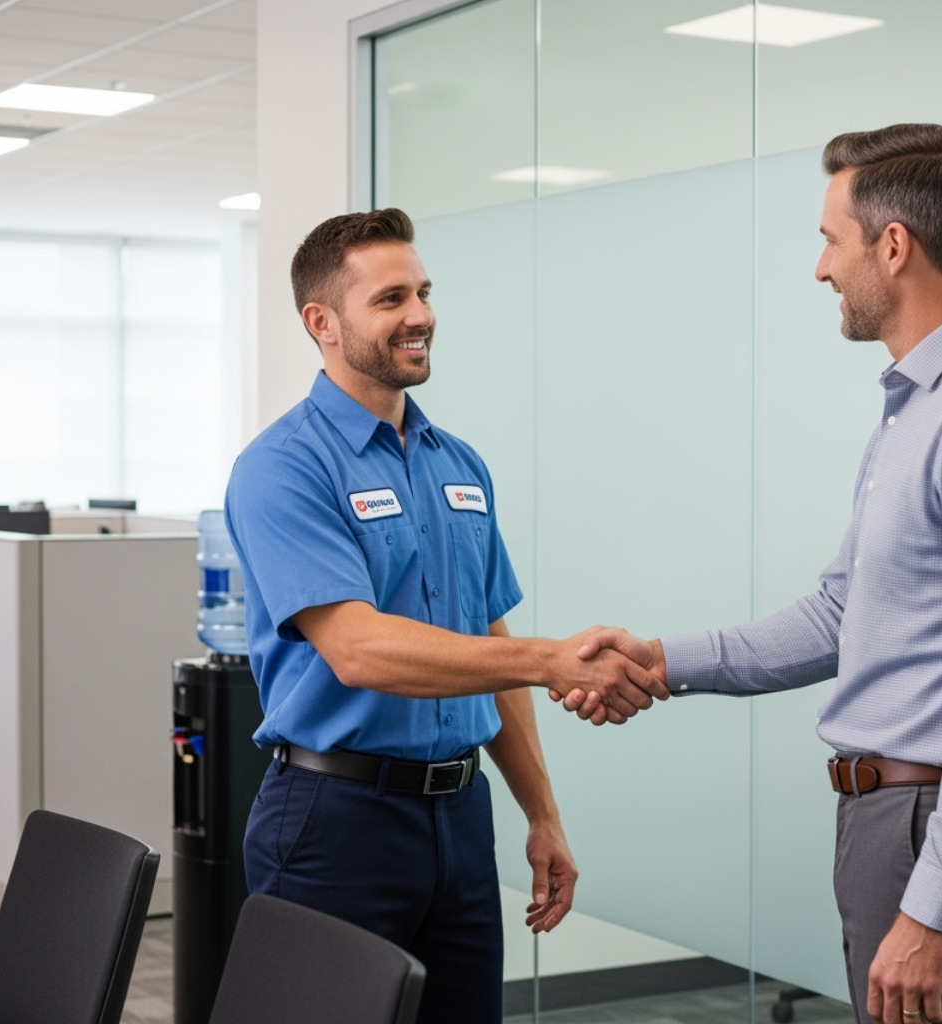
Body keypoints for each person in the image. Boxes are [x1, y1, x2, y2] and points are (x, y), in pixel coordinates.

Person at [561, 124, 942, 1024]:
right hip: (895, 820)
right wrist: (659, 659)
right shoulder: (920, 406)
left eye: (828, 241)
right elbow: (843, 615)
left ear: (894, 246)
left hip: (935, 821)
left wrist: (935, 904)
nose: (820, 270)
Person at [224, 209, 667, 1024]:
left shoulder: (458, 465)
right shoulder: (281, 470)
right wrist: (551, 658)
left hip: (460, 820)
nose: (421, 314)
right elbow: (357, 649)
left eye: (424, 292)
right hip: (335, 820)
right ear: (321, 323)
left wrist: (541, 814)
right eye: (391, 297)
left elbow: (486, 644)